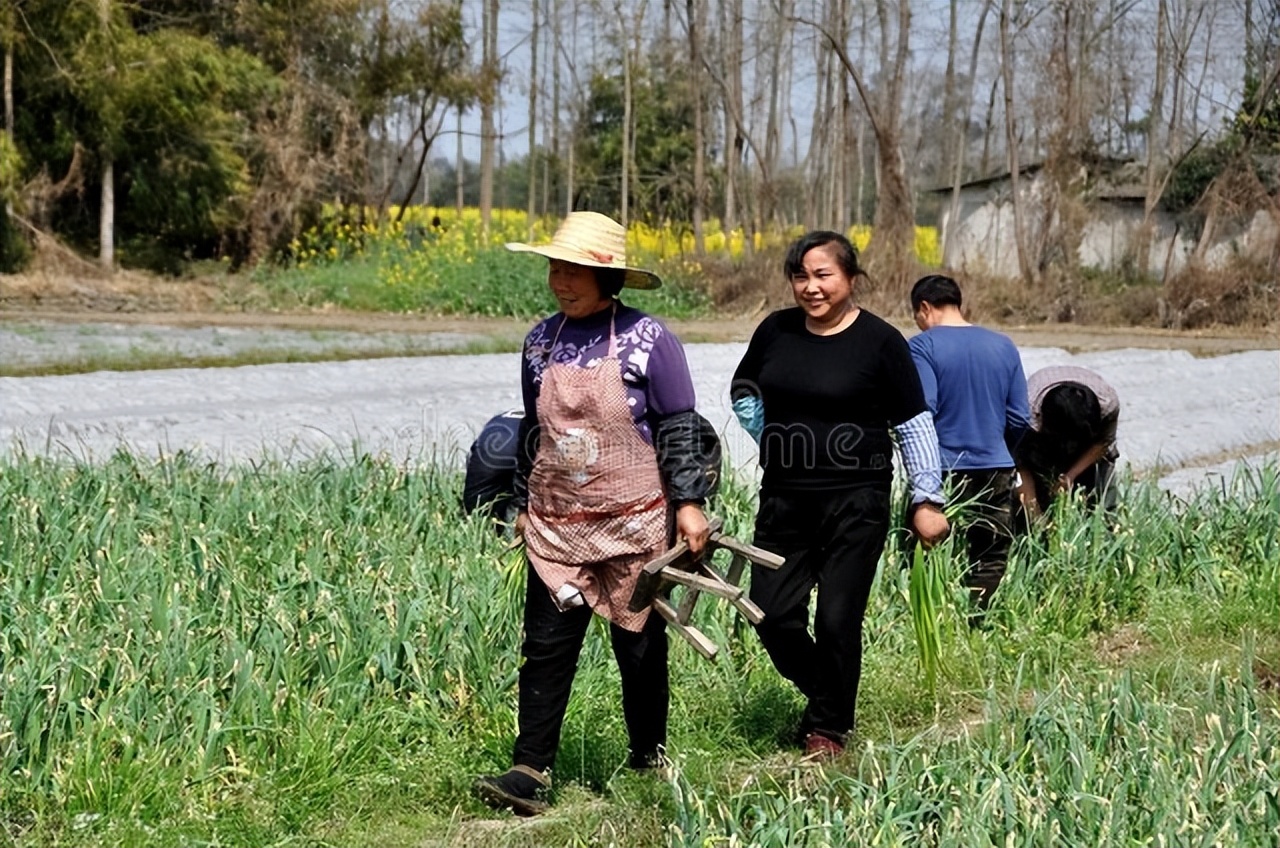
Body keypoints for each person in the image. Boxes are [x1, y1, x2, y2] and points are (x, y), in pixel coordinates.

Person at [473, 211, 715, 816]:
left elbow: (680, 426)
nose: (560, 281)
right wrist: (523, 501)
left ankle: (647, 755)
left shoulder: (649, 339)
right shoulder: (539, 341)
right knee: (547, 645)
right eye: (555, 268)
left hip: (636, 524)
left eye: (573, 271)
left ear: (609, 277)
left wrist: (689, 504)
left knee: (637, 646)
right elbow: (536, 428)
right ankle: (529, 769)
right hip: (557, 524)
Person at [730, 231, 948, 760]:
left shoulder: (880, 342)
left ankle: (827, 727)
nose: (810, 287)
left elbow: (914, 422)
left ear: (850, 278)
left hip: (857, 501)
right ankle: (830, 697)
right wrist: (773, 439)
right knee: (770, 612)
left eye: (823, 274)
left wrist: (927, 499)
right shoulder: (775, 331)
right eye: (800, 276)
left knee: (836, 619)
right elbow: (744, 390)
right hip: (783, 499)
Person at [908, 274, 1031, 617]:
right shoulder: (1003, 345)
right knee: (990, 553)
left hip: (942, 469)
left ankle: (933, 618)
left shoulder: (923, 346)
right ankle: (977, 619)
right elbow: (1020, 415)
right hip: (995, 466)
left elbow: (923, 410)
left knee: (927, 548)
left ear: (924, 308)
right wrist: (999, 449)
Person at [1016, 365, 1120, 518]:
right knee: (1039, 494)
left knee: (1102, 501)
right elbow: (1021, 466)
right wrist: (1036, 517)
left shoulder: (1108, 403)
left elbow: (1103, 442)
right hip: (1041, 440)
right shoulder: (1026, 414)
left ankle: (1105, 526)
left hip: (1087, 441)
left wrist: (1070, 476)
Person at [462, 409, 524, 530]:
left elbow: (472, 454)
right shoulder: (549, 419)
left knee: (477, 519)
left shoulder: (499, 418)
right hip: (525, 448)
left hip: (488, 453)